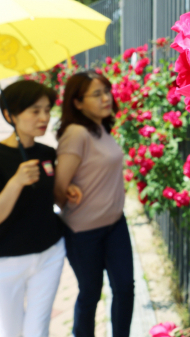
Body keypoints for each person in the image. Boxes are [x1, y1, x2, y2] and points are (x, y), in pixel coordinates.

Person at [0, 80, 82, 337]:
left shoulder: (47, 153)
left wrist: (64, 191)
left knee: (38, 330)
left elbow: (46, 199)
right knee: (10, 331)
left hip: (48, 254)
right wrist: (16, 182)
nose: (44, 117)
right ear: (10, 115)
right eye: (35, 110)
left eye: (47, 109)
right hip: (5, 262)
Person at [55, 71, 134, 337]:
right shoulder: (76, 134)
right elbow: (58, 190)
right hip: (84, 231)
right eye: (96, 94)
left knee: (124, 288)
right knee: (90, 294)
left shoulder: (99, 127)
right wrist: (68, 187)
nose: (106, 98)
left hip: (115, 224)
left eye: (107, 91)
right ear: (77, 102)